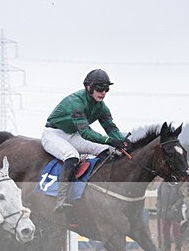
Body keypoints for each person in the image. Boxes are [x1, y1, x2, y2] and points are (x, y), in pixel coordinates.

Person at [42, 69, 129, 214]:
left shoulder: (102, 107)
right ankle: (61, 199)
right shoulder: (76, 103)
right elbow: (86, 133)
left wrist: (123, 141)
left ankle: (96, 190)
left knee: (105, 151)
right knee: (72, 156)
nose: (103, 93)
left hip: (73, 135)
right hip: (54, 134)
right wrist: (110, 140)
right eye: (100, 88)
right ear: (89, 87)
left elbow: (111, 128)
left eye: (106, 89)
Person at [157, 181, 184, 251]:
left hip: (175, 212)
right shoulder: (163, 184)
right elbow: (159, 196)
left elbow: (181, 198)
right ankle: (166, 249)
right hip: (164, 212)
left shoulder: (178, 185)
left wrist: (175, 207)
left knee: (176, 232)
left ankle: (178, 250)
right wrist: (159, 207)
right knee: (165, 231)